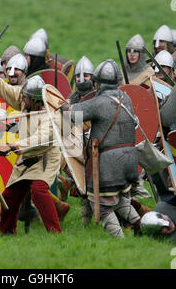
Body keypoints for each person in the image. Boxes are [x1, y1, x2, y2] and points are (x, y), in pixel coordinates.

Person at [0, 54, 63, 234]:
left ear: (35, 100)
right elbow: (7, 90)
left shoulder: (51, 116)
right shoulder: (27, 101)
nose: (21, 100)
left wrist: (11, 146)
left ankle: (55, 231)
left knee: (39, 190)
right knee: (10, 196)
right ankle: (7, 232)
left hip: (45, 158)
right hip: (26, 158)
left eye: (25, 98)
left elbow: (38, 140)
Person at [62, 59, 141, 237]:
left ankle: (121, 242)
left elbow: (74, 114)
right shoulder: (126, 98)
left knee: (101, 204)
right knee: (121, 200)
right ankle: (140, 226)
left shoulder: (99, 102)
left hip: (109, 161)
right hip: (130, 158)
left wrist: (64, 107)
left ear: (97, 82)